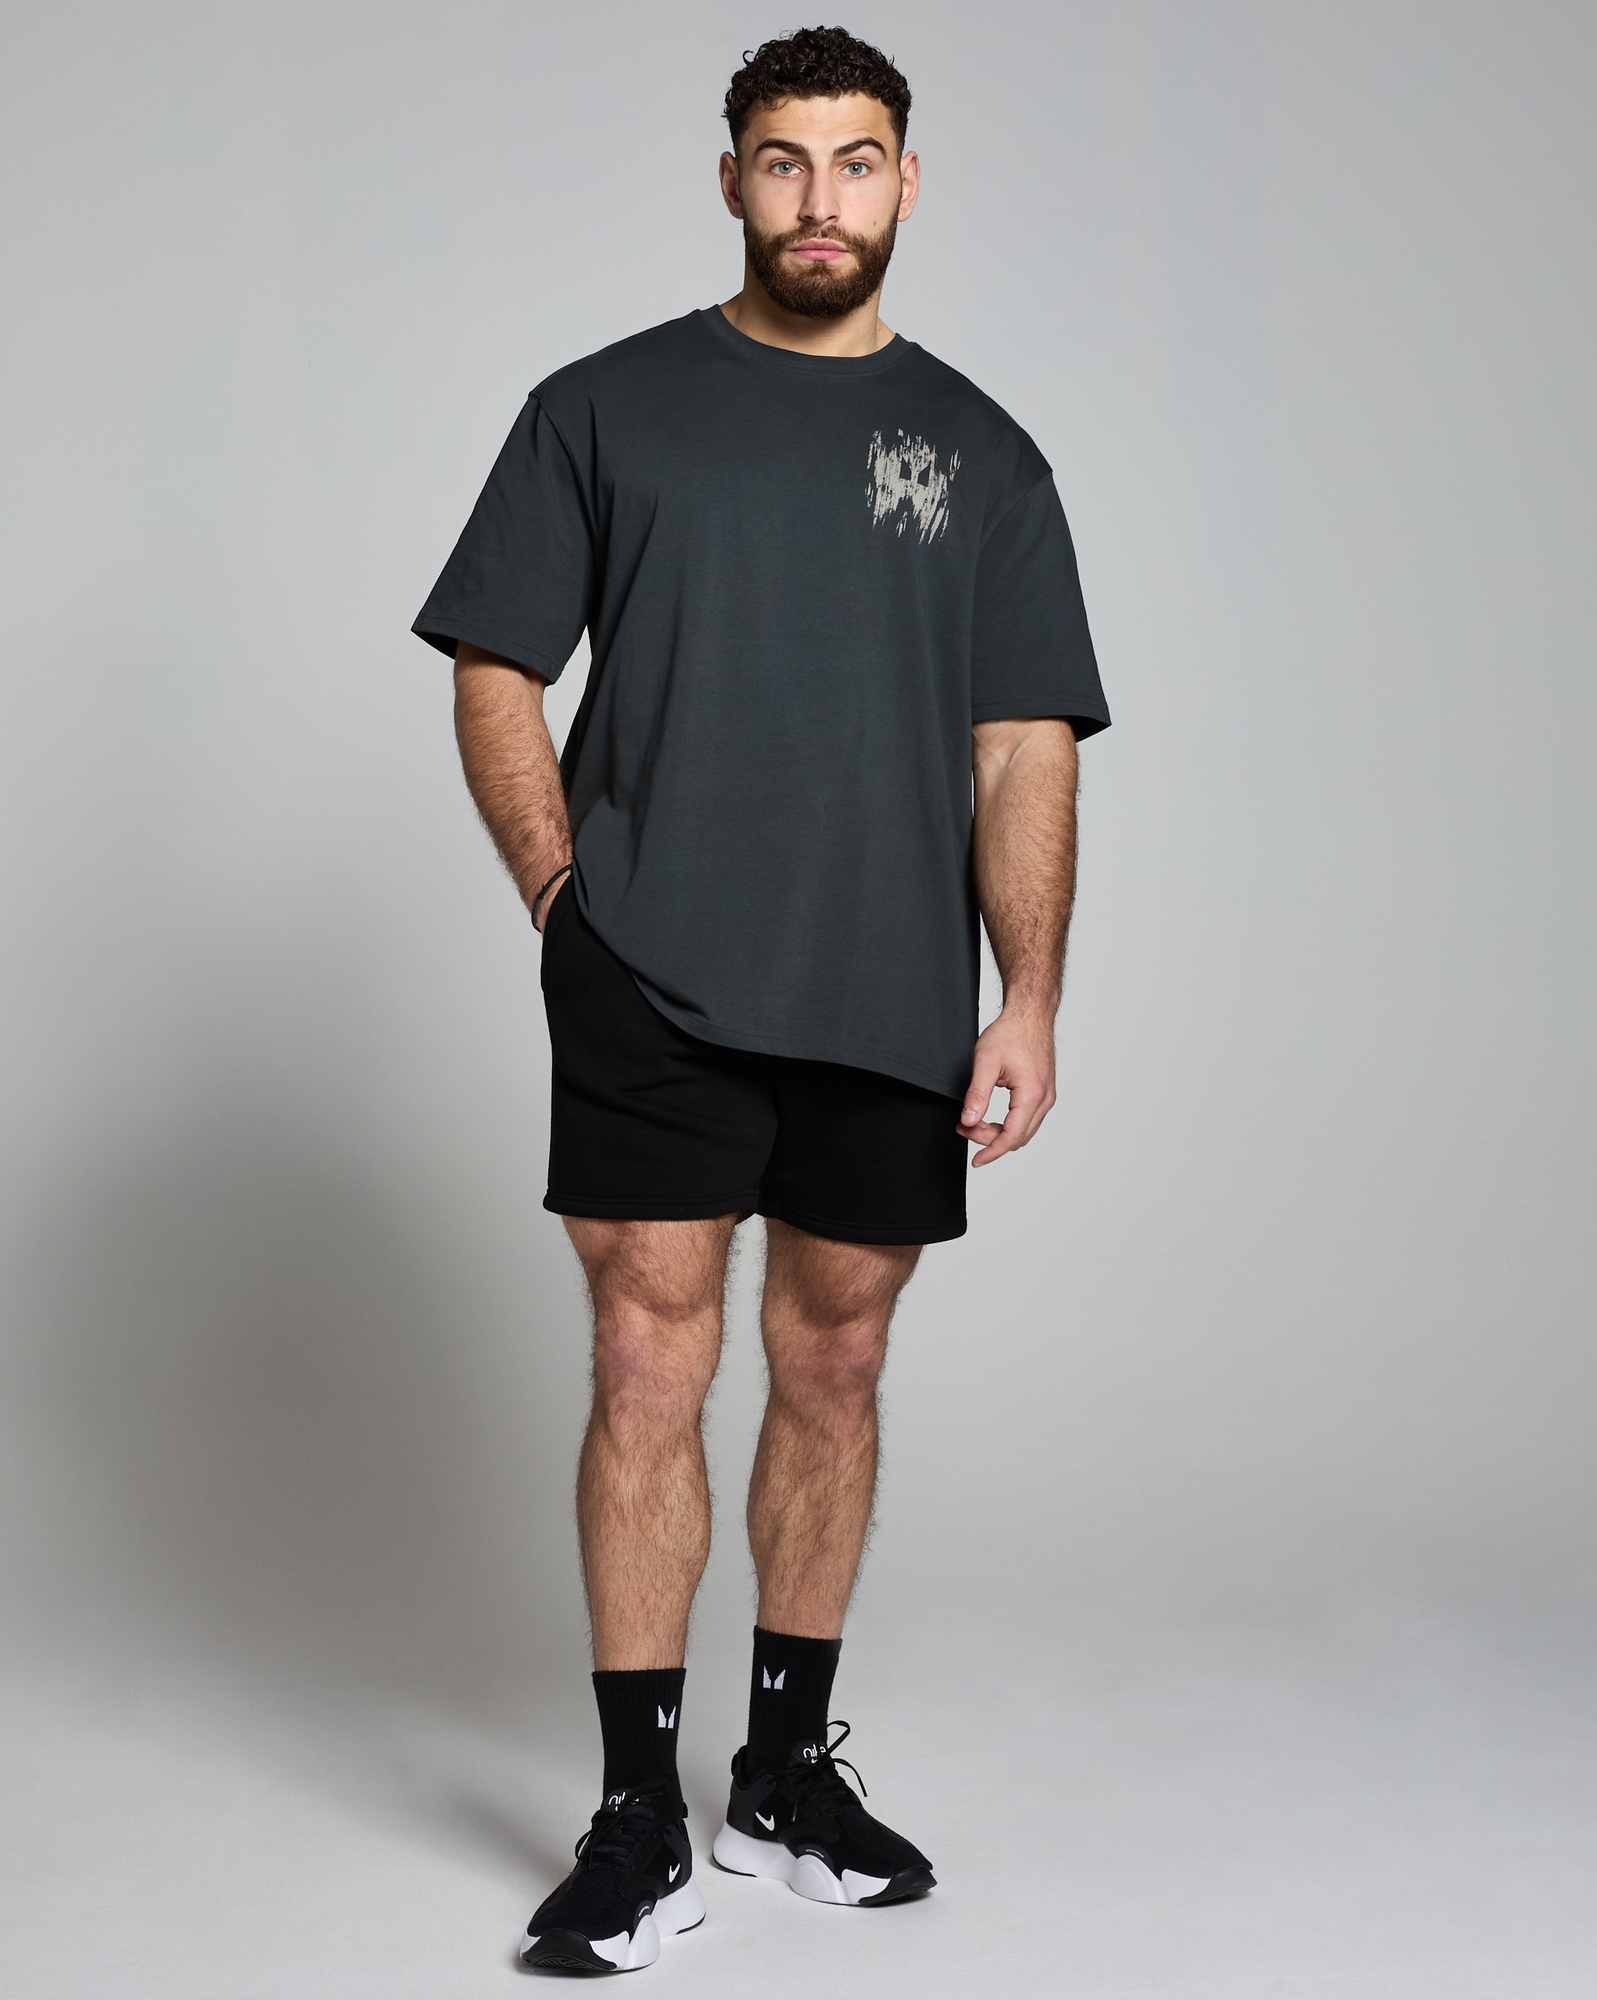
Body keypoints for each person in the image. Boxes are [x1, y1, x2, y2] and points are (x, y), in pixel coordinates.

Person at [412, 25, 1109, 1974]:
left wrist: (1030, 996)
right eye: (784, 161)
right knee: (649, 1363)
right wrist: (560, 896)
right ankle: (638, 1818)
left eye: (856, 160)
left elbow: (1023, 744)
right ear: (729, 180)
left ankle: (784, 1777)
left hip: (890, 987)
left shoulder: (984, 454)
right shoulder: (602, 409)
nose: (821, 199)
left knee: (837, 1364)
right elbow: (492, 664)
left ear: (907, 184)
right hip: (648, 976)